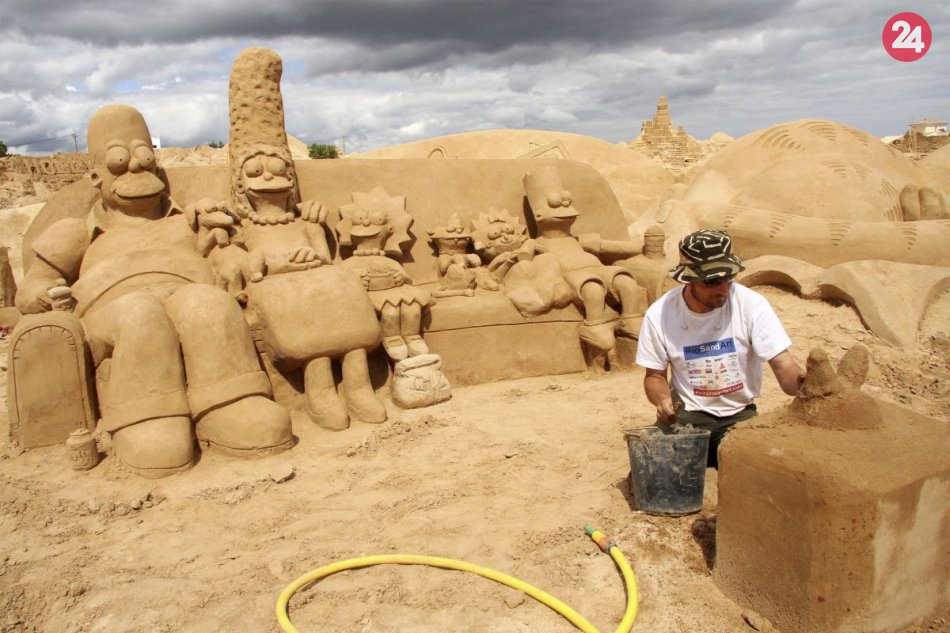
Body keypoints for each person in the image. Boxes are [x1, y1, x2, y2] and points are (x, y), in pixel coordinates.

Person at [16, 104, 293, 478]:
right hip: (113, 310)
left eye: (145, 158)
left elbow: (222, 252)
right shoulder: (76, 231)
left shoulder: (186, 221)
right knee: (141, 314)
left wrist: (229, 255)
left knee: (208, 302)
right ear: (96, 176)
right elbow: (31, 288)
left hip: (184, 291)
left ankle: (231, 402)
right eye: (119, 161)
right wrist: (45, 294)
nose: (135, 167)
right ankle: (147, 415)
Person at [635, 229, 805, 468]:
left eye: (728, 278)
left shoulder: (751, 305)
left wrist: (809, 384)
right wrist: (663, 400)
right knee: (658, 473)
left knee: (759, 469)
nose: (723, 288)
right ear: (689, 280)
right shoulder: (660, 314)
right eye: (712, 281)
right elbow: (654, 376)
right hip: (688, 415)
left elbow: (783, 364)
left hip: (739, 415)